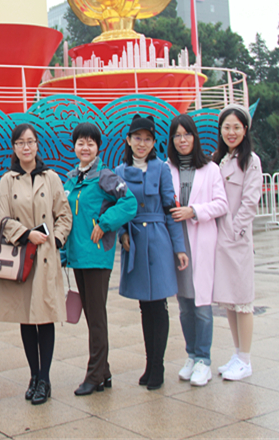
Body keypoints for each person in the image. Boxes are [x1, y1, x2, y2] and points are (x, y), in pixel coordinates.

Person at [0, 123, 72, 405]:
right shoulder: (7, 180)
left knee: (45, 316)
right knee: (26, 318)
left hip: (45, 257)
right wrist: (27, 234)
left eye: (30, 142)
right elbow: (3, 219)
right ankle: (33, 375)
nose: (26, 147)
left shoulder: (51, 178)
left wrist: (57, 241)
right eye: (20, 143)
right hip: (20, 256)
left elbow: (64, 215)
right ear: (14, 148)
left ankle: (45, 379)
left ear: (37, 145)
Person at [115, 114, 188, 391]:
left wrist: (179, 248)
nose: (142, 143)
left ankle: (158, 365)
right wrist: (122, 234)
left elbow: (171, 209)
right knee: (145, 306)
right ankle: (150, 363)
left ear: (154, 142)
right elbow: (117, 208)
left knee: (159, 305)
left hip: (158, 240)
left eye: (147, 139)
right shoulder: (120, 171)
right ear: (128, 140)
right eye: (137, 138)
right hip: (135, 241)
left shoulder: (162, 169)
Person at [63, 123, 137, 396]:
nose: (85, 148)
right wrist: (64, 252)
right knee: (92, 316)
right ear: (74, 146)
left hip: (96, 256)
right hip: (78, 256)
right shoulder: (71, 179)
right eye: (81, 143)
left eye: (90, 143)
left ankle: (93, 375)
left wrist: (105, 223)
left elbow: (129, 203)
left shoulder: (105, 176)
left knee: (96, 318)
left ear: (98, 147)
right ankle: (103, 373)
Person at [166, 115, 229, 387]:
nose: (182, 140)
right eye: (177, 135)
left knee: (202, 305)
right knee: (184, 304)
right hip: (177, 242)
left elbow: (221, 204)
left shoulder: (210, 168)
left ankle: (204, 359)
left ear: (195, 137)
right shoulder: (167, 168)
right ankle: (191, 355)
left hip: (200, 241)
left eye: (187, 134)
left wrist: (194, 211)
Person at [212, 104, 262, 381]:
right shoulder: (219, 160)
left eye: (236, 127)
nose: (231, 132)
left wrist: (235, 232)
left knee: (243, 301)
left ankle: (246, 359)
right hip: (219, 241)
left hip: (237, 241)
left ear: (245, 130)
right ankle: (237, 353)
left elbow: (250, 202)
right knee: (229, 301)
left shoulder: (250, 161)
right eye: (226, 127)